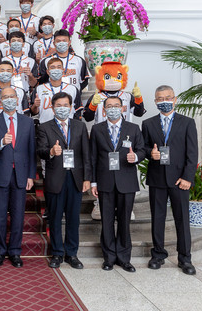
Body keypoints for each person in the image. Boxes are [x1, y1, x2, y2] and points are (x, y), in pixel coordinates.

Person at [142, 85, 198, 275]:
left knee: (182, 220)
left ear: (174, 99)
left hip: (179, 180)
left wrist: (187, 178)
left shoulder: (187, 123)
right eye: (159, 98)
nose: (164, 101)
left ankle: (185, 258)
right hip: (157, 179)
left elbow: (192, 154)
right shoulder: (148, 124)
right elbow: (144, 148)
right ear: (155, 101)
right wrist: (151, 153)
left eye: (167, 97)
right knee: (157, 218)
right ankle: (158, 255)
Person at [90, 96, 145, 272]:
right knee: (106, 221)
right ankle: (109, 257)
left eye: (116, 106)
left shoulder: (134, 128)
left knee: (124, 221)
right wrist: (93, 182)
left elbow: (142, 150)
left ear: (122, 108)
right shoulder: (97, 129)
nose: (113, 109)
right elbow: (92, 158)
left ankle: (124, 258)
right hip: (105, 181)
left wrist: (135, 157)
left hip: (126, 182)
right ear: (104, 110)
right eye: (109, 106)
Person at [36, 92, 91, 269]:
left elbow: (86, 154)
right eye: (58, 105)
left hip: (75, 178)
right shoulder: (44, 127)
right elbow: (41, 150)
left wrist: (87, 178)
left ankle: (72, 254)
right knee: (55, 217)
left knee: (73, 218)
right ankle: (57, 253)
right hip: (55, 178)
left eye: (65, 105)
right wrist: (51, 152)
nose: (62, 108)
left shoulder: (79, 126)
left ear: (71, 107)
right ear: (52, 108)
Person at [0, 87, 36, 268]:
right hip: (0, 174)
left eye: (11, 96)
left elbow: (31, 151)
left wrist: (31, 175)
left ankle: (15, 251)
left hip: (20, 175)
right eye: (4, 97)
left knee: (18, 215)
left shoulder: (28, 122)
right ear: (0, 100)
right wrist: (1, 142)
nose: (8, 99)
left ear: (17, 98)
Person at [31, 57, 81, 123]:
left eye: (59, 67)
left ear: (63, 70)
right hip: (45, 127)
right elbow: (33, 113)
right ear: (48, 72)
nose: (56, 70)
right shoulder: (39, 89)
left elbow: (77, 112)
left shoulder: (73, 89)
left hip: (67, 127)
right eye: (52, 67)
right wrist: (35, 105)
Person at [38, 29, 88, 94]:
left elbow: (84, 81)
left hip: (73, 97)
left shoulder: (79, 60)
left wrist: (75, 91)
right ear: (54, 43)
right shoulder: (46, 61)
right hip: (53, 96)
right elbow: (42, 81)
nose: (61, 43)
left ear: (69, 42)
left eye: (64, 41)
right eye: (58, 41)